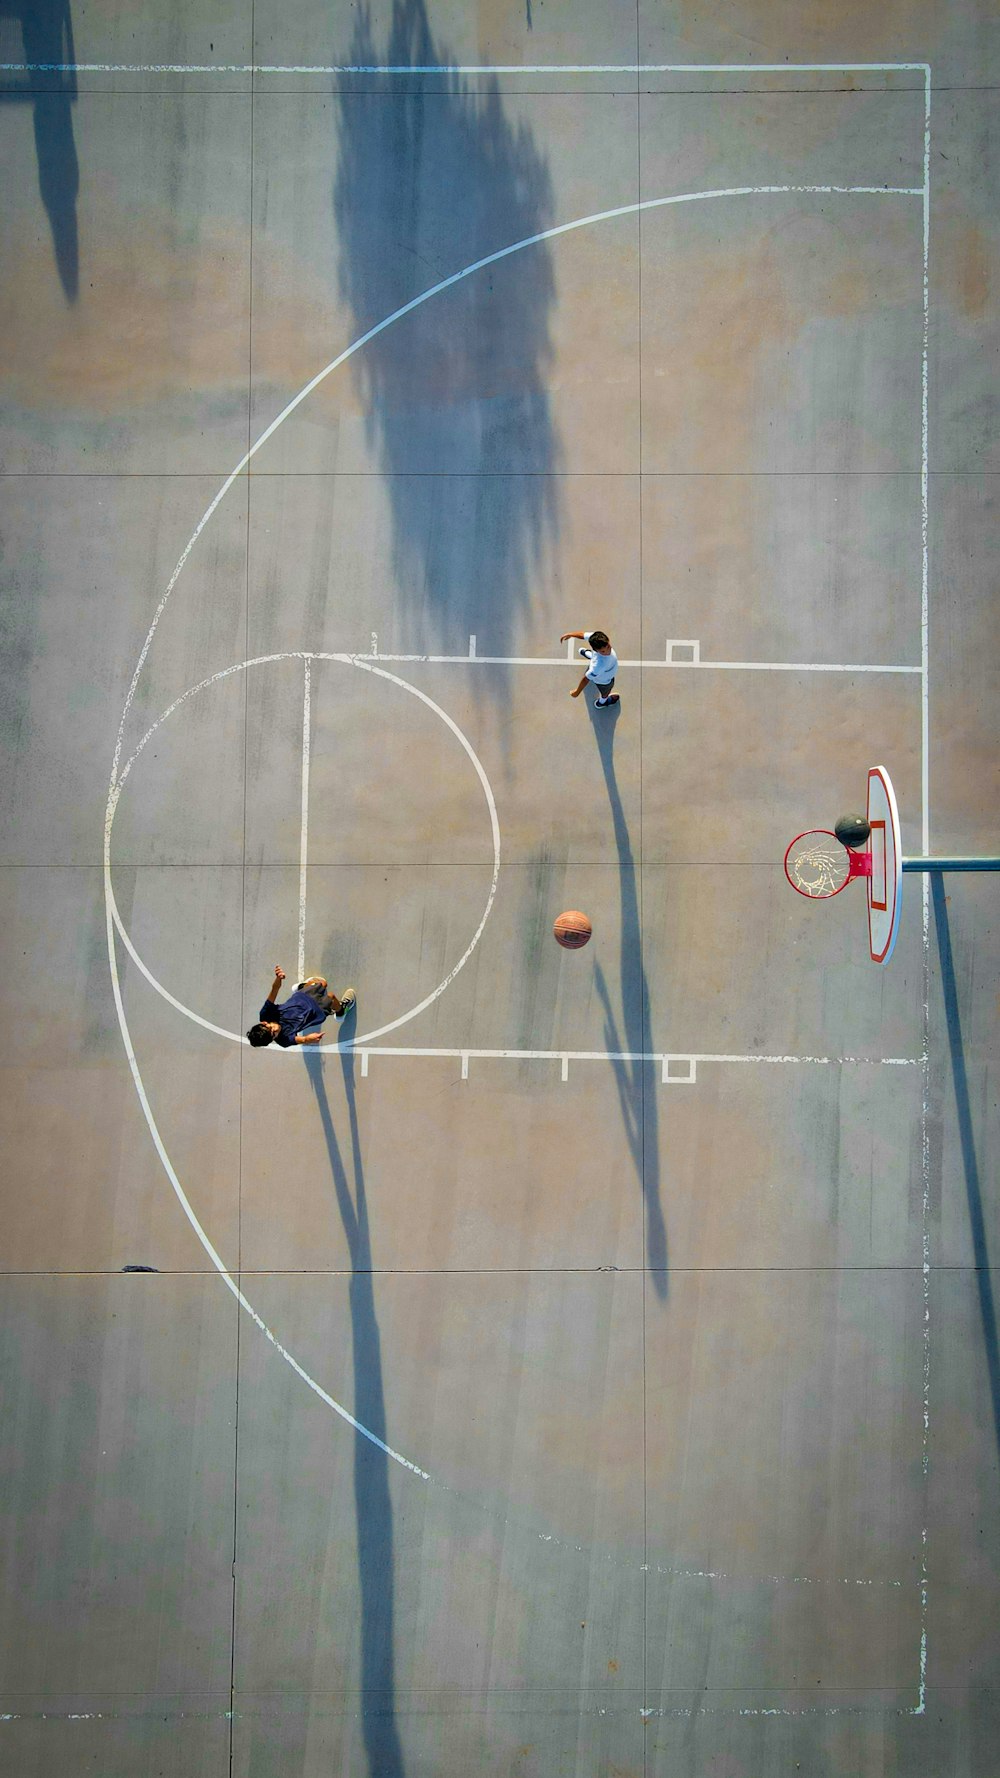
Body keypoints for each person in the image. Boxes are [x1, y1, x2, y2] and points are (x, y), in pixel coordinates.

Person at [246, 966, 356, 1048]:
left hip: (301, 997)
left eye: (271, 1028)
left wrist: (278, 978)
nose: (275, 1030)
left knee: (323, 983)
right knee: (331, 997)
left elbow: (274, 990)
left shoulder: (265, 1013)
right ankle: (341, 1011)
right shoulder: (283, 1040)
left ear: (264, 1023)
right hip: (315, 1014)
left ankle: (301, 986)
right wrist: (309, 1039)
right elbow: (301, 1039)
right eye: (273, 1035)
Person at [560, 628, 620, 708]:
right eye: (603, 651)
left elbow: (583, 635)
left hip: (599, 662)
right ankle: (601, 703)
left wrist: (570, 634)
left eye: (608, 646)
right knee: (605, 692)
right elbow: (586, 679)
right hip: (604, 681)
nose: (608, 651)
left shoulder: (597, 638)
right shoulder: (598, 666)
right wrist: (577, 692)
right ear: (596, 650)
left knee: (594, 657)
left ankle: (586, 653)